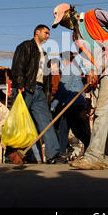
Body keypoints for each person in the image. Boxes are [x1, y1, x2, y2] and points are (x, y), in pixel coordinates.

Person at [51, 3, 108, 169]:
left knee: (101, 113)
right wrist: (91, 72)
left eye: (62, 20)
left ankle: (94, 156)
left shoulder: (94, 15)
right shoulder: (75, 37)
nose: (63, 25)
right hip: (99, 73)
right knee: (103, 115)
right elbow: (86, 58)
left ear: (69, 13)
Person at [11, 24, 67, 164]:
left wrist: (47, 96)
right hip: (26, 88)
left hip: (40, 91)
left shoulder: (45, 54)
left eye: (49, 33)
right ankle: (11, 153)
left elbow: (46, 78)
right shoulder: (26, 46)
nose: (48, 36)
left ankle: (53, 155)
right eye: (46, 32)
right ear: (37, 32)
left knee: (46, 122)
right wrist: (19, 84)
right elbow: (18, 65)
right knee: (19, 121)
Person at [51, 51, 91, 156]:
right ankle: (89, 143)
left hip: (72, 103)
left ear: (64, 60)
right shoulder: (76, 69)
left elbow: (63, 88)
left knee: (63, 128)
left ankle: (62, 153)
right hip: (79, 102)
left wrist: (53, 105)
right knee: (76, 128)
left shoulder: (68, 69)